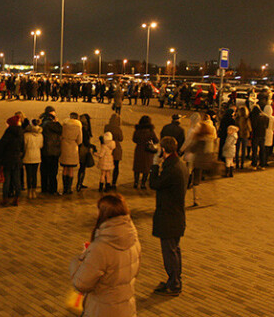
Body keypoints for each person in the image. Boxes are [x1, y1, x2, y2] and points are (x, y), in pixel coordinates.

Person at [70, 193, 141, 317]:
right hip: (126, 309)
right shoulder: (134, 239)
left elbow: (81, 284)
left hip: (102, 309)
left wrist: (78, 260)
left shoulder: (101, 248)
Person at [149, 136, 188, 296]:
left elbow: (154, 184)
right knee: (174, 250)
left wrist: (154, 165)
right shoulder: (180, 164)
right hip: (176, 215)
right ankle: (174, 280)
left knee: (169, 252)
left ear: (164, 150)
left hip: (169, 217)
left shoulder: (171, 168)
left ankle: (174, 283)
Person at [0, 115, 24, 206]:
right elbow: (23, 147)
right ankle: (16, 198)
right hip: (17, 159)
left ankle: (5, 199)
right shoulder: (20, 132)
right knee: (17, 180)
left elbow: (2, 146)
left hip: (7, 159)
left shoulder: (8, 132)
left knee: (7, 180)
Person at [132, 115, 159, 189]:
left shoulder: (137, 130)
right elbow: (156, 140)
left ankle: (136, 182)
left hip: (139, 150)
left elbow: (134, 139)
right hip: (148, 151)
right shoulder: (151, 131)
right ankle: (143, 184)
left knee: (137, 167)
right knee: (146, 168)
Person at [40, 107, 62, 195]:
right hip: (52, 150)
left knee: (44, 170)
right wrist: (57, 122)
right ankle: (52, 189)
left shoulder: (43, 122)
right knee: (53, 171)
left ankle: (44, 188)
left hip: (44, 149)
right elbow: (60, 129)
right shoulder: (51, 123)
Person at [59, 112, 82, 195]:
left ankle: (64, 187)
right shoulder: (78, 126)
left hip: (64, 146)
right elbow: (80, 140)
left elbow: (60, 136)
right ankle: (69, 188)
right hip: (73, 148)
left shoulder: (64, 124)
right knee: (71, 169)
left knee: (64, 168)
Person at [22, 118, 43, 199]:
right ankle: (34, 191)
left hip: (28, 156)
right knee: (34, 175)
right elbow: (41, 146)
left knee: (28, 174)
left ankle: (29, 191)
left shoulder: (26, 135)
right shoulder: (40, 135)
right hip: (37, 156)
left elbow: (24, 146)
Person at [104, 113, 124, 189]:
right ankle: (114, 183)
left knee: (107, 167)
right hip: (116, 148)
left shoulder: (107, 127)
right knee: (116, 166)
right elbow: (121, 138)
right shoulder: (118, 129)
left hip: (107, 147)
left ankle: (107, 182)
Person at [77, 114, 95, 192]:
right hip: (83, 149)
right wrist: (92, 146)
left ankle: (80, 183)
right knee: (82, 167)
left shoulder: (81, 127)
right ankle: (79, 184)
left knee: (82, 167)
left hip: (82, 149)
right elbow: (85, 141)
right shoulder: (84, 129)